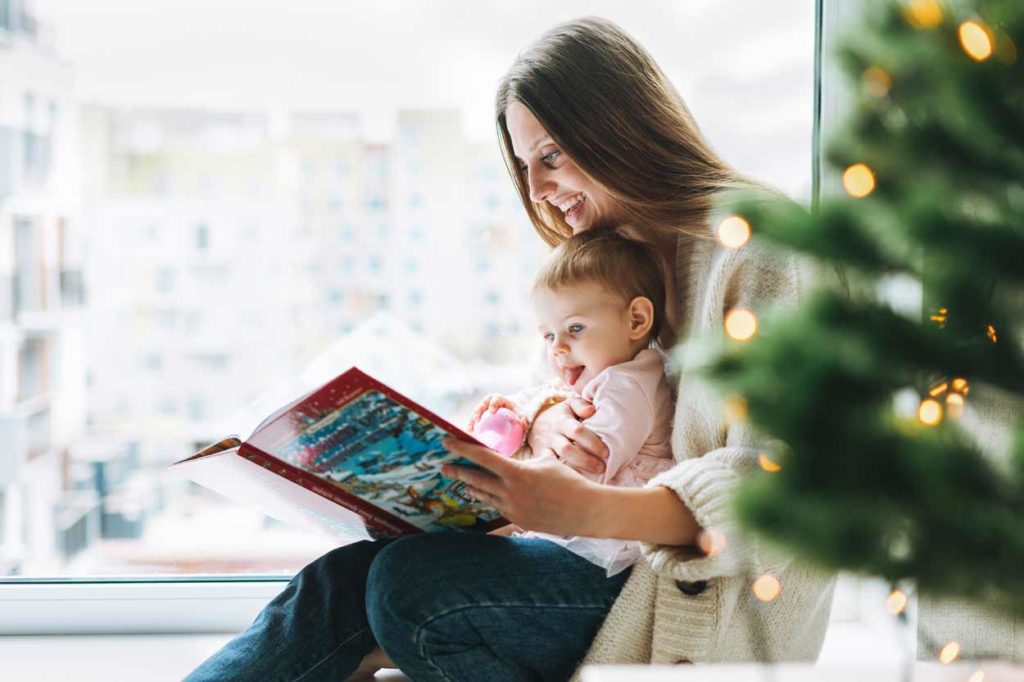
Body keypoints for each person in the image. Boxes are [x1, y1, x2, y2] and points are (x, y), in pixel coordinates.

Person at [186, 16, 836, 682]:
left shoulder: (762, 251)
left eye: (551, 155)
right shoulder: (596, 268)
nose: (536, 190)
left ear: (617, 126)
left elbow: (791, 488)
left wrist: (587, 507)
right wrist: (538, 422)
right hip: (586, 558)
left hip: (685, 607)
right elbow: (547, 411)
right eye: (526, 165)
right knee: (340, 582)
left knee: (405, 591)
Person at [472, 229, 675, 577]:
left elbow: (583, 469)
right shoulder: (591, 376)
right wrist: (510, 412)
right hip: (568, 531)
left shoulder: (628, 385)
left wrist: (501, 508)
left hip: (600, 547)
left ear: (637, 320)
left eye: (575, 328)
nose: (557, 348)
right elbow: (542, 396)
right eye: (549, 335)